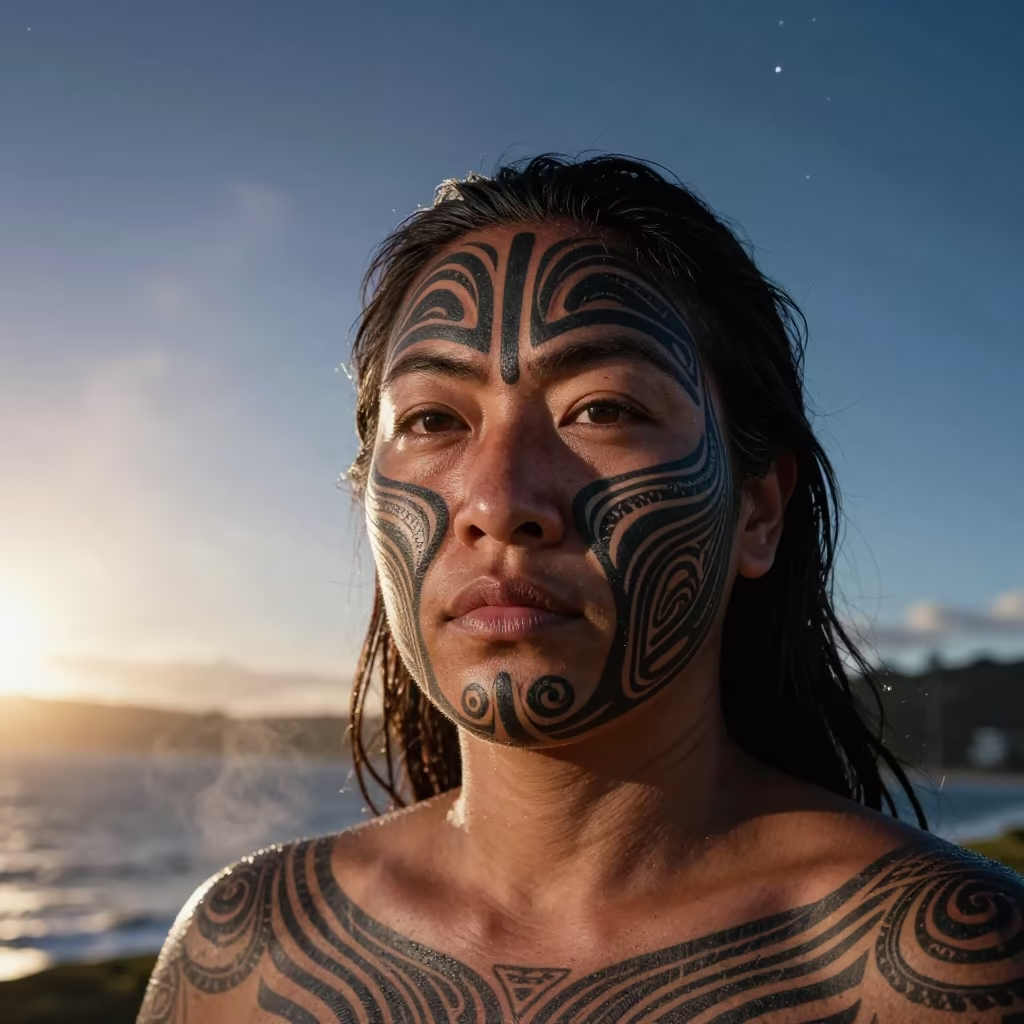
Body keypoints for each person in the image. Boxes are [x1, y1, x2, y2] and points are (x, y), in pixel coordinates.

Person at [138, 155, 1024, 1023]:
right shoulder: (242, 952)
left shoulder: (938, 973)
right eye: (434, 419)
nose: (498, 501)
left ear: (757, 510)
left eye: (603, 409)